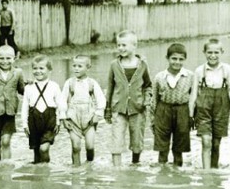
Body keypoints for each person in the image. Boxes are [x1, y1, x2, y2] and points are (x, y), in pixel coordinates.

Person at [104, 30, 152, 166]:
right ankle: (117, 170)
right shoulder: (114, 65)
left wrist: (146, 100)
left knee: (137, 140)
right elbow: (110, 87)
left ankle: (135, 165)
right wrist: (107, 108)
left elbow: (148, 85)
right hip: (118, 108)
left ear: (134, 46)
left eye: (124, 45)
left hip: (138, 108)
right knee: (116, 140)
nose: (120, 48)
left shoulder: (142, 65)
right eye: (118, 45)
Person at [189, 38, 230, 169]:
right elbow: (194, 93)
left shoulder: (227, 69)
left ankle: (214, 169)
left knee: (216, 143)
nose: (213, 55)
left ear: (222, 52)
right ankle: (206, 173)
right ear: (204, 52)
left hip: (221, 108)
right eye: (209, 52)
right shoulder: (199, 71)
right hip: (203, 108)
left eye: (216, 52)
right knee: (206, 141)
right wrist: (190, 114)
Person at [151, 43, 195, 166]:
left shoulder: (190, 76)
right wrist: (153, 119)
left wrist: (192, 116)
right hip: (163, 111)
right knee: (162, 148)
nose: (177, 62)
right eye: (174, 58)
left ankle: (178, 175)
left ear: (185, 59)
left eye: (181, 59)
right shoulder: (159, 77)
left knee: (179, 149)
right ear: (167, 58)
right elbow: (154, 99)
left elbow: (193, 98)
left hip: (182, 111)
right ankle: (162, 174)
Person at [59, 55, 106, 166]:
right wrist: (63, 118)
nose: (76, 68)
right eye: (74, 66)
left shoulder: (92, 83)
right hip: (73, 119)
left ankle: (90, 165)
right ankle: (76, 168)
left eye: (80, 66)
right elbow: (62, 101)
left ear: (88, 67)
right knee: (76, 146)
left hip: (89, 119)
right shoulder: (69, 83)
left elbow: (101, 100)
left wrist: (97, 115)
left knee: (90, 146)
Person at [21, 55, 62, 164]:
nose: (38, 71)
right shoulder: (29, 87)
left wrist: (58, 122)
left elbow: (60, 105)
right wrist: (24, 124)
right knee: (36, 151)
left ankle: (46, 169)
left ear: (49, 70)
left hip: (49, 120)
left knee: (44, 149)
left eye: (41, 68)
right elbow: (24, 107)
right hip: (33, 121)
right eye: (35, 68)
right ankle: (39, 176)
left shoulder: (54, 86)